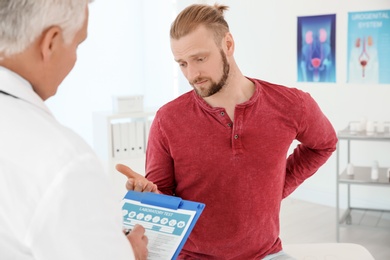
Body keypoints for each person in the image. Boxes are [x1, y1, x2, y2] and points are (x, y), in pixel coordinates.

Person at [118, 3, 338, 259]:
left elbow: (323, 144)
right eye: (182, 64)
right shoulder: (167, 119)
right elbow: (164, 193)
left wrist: (278, 186)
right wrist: (152, 196)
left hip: (266, 254)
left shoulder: (291, 104)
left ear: (228, 45)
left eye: (200, 59)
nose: (192, 74)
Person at [0, 1, 148, 259]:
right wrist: (131, 254)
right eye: (78, 44)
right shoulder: (63, 161)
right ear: (51, 43)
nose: (75, 59)